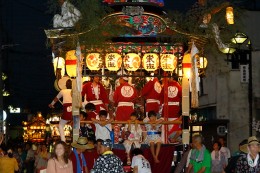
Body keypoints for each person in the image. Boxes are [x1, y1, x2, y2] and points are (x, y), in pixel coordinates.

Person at [160, 74, 182, 142]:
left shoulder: (165, 86)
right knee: (174, 129)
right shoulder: (179, 87)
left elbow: (161, 96)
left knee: (164, 128)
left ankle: (164, 142)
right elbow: (182, 96)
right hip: (175, 111)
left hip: (166, 110)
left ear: (171, 78)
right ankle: (172, 142)